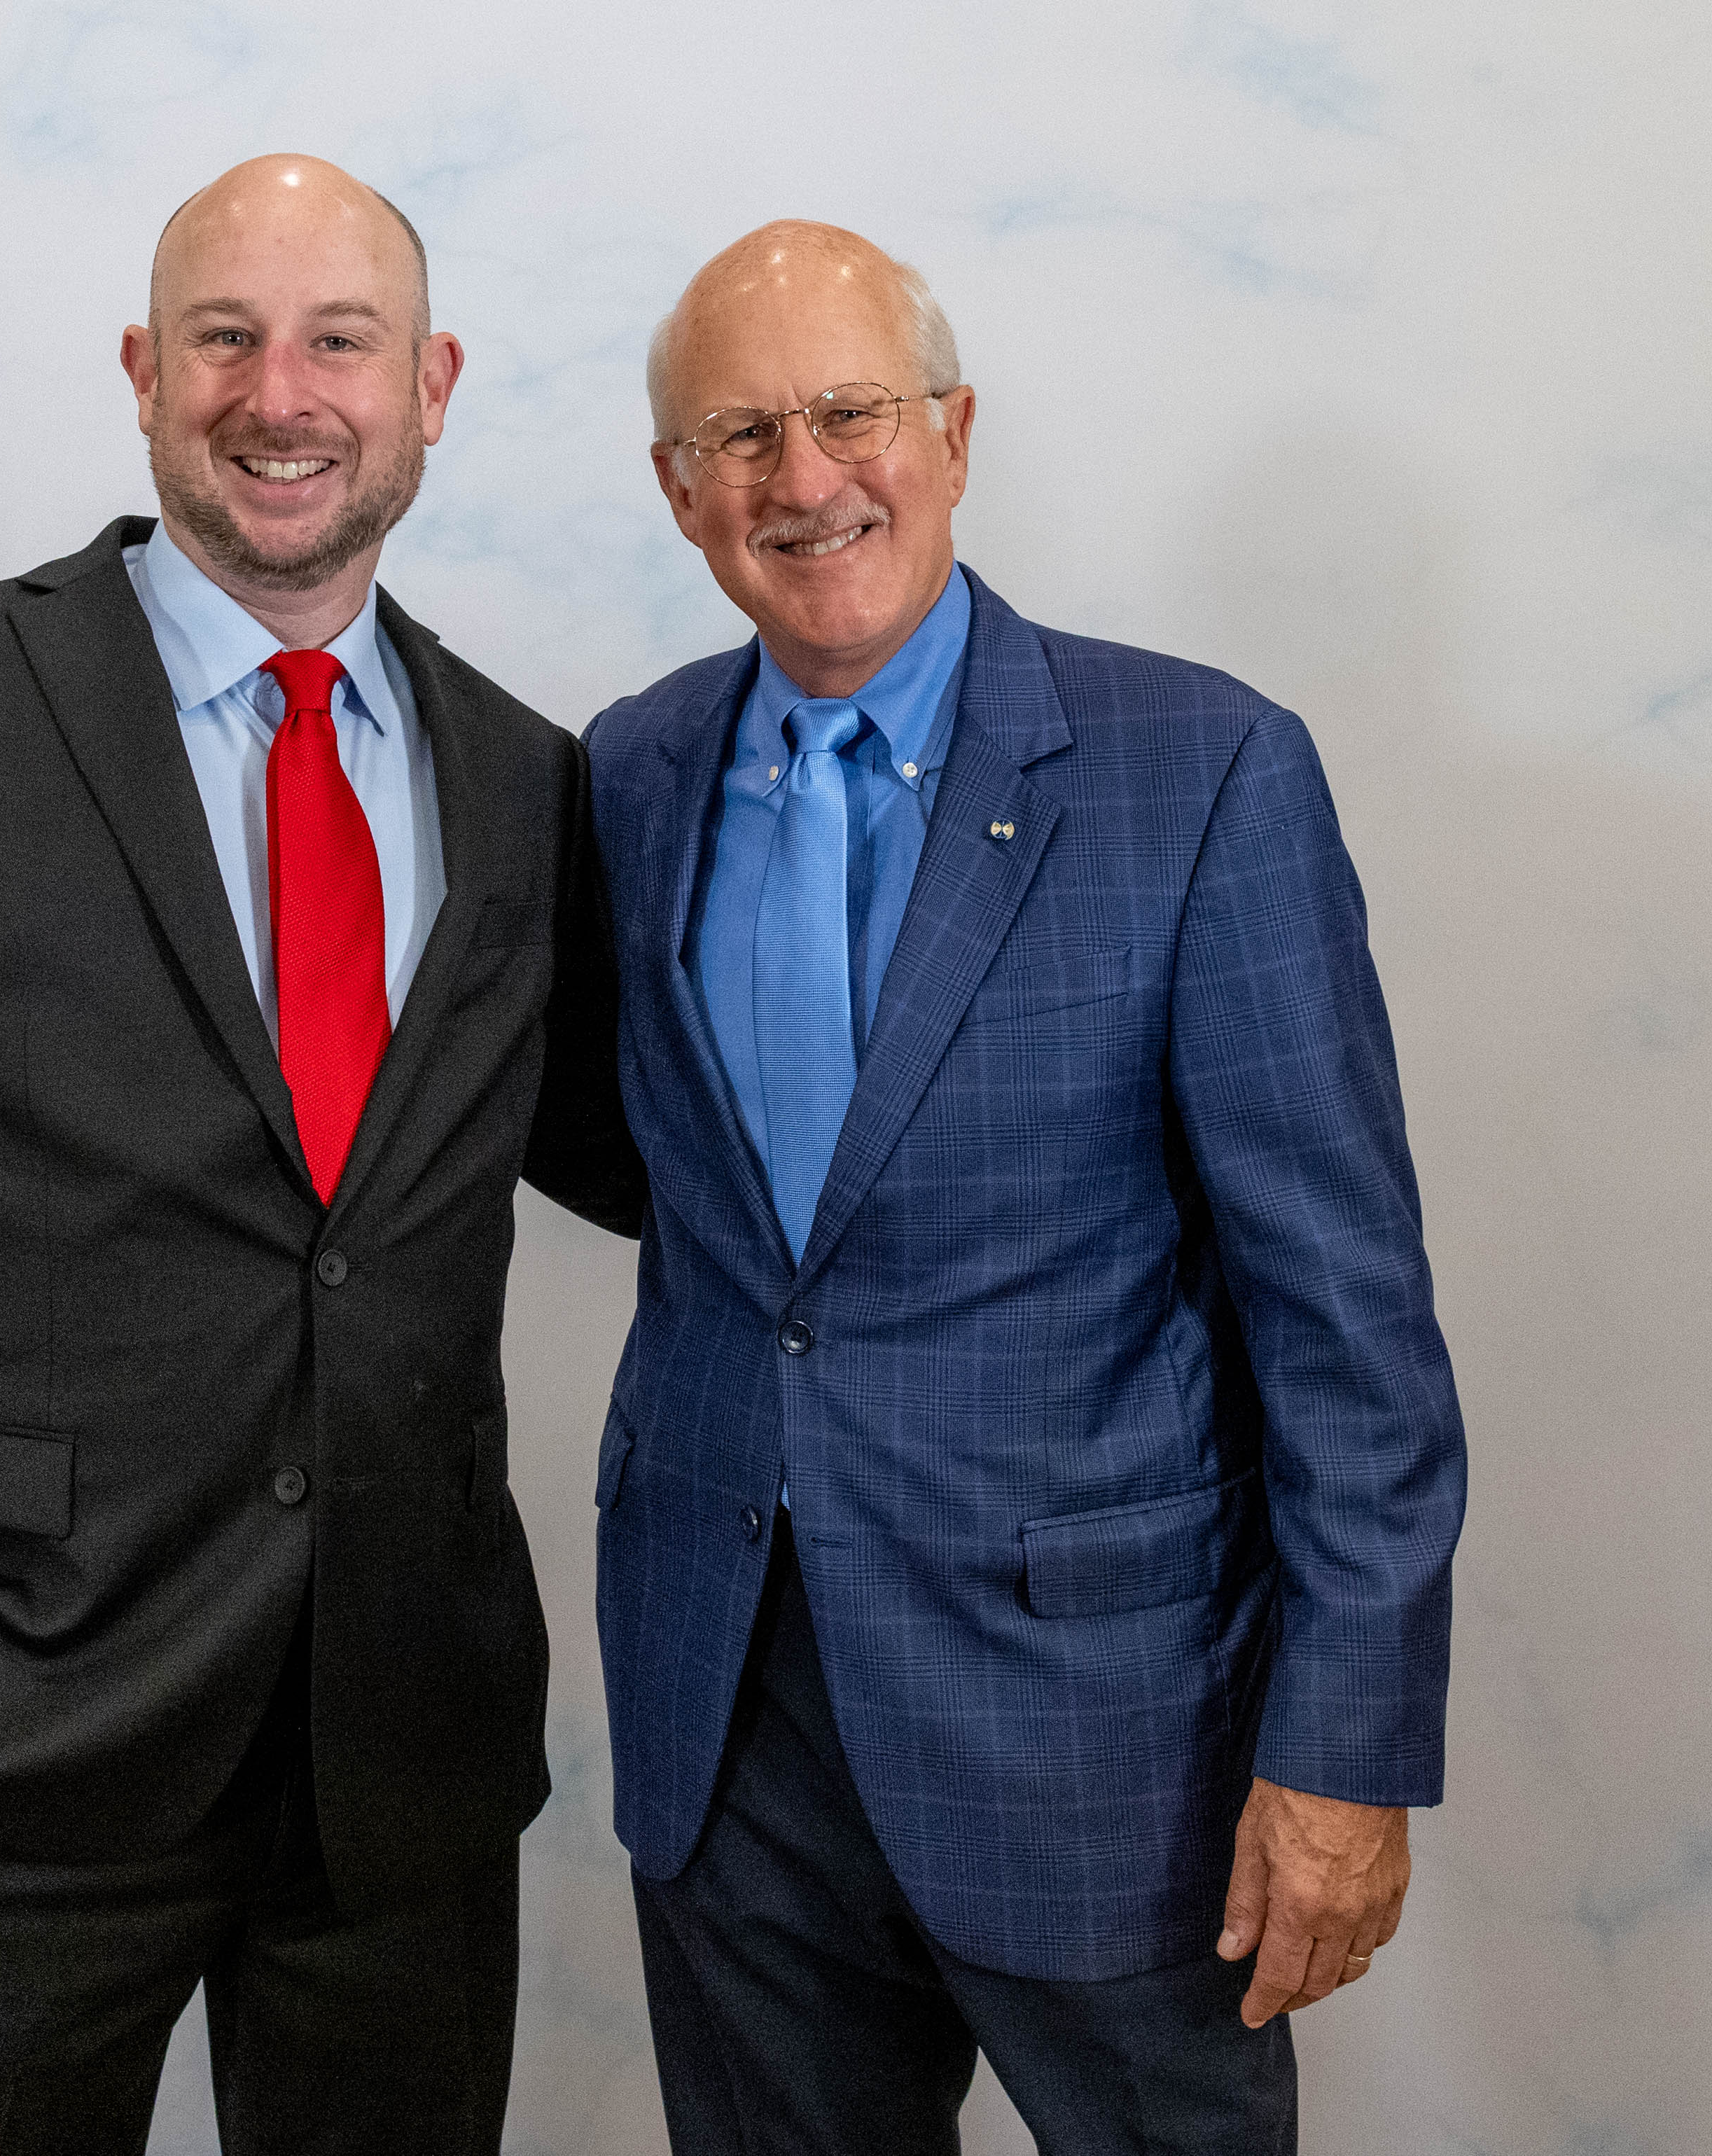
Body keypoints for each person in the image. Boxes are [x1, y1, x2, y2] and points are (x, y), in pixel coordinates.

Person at [0, 154, 640, 2156]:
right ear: (141, 370)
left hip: (401, 1766)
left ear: (431, 384)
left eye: (339, 340)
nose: (281, 395)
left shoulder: (531, 781)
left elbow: (634, 1165)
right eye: (224, 338)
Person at [583, 220, 1468, 2151]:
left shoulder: (1200, 771)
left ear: (954, 434)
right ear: (677, 489)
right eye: (741, 435)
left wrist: (1346, 1748)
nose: (805, 477)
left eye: (851, 413)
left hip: (1110, 1740)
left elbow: (1346, 1316)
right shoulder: (626, 778)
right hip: (729, 1715)